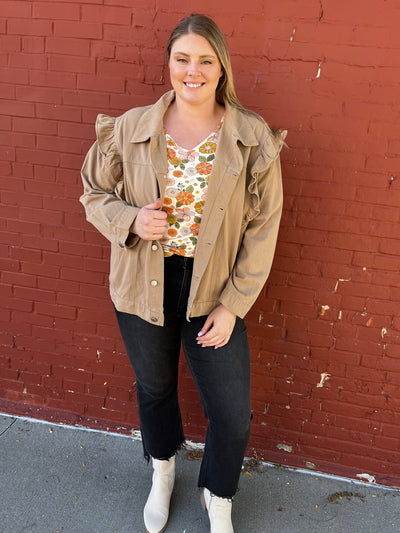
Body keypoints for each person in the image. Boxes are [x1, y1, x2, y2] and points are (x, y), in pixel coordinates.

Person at [80, 13, 286, 533]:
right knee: (154, 390)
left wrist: (233, 303)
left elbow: (263, 227)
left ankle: (218, 494)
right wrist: (130, 219)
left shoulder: (250, 137)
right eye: (182, 59)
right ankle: (163, 470)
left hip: (214, 289)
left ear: (221, 69)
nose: (192, 71)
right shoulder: (131, 128)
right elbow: (92, 192)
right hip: (142, 283)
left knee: (233, 413)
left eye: (204, 61)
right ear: (169, 64)